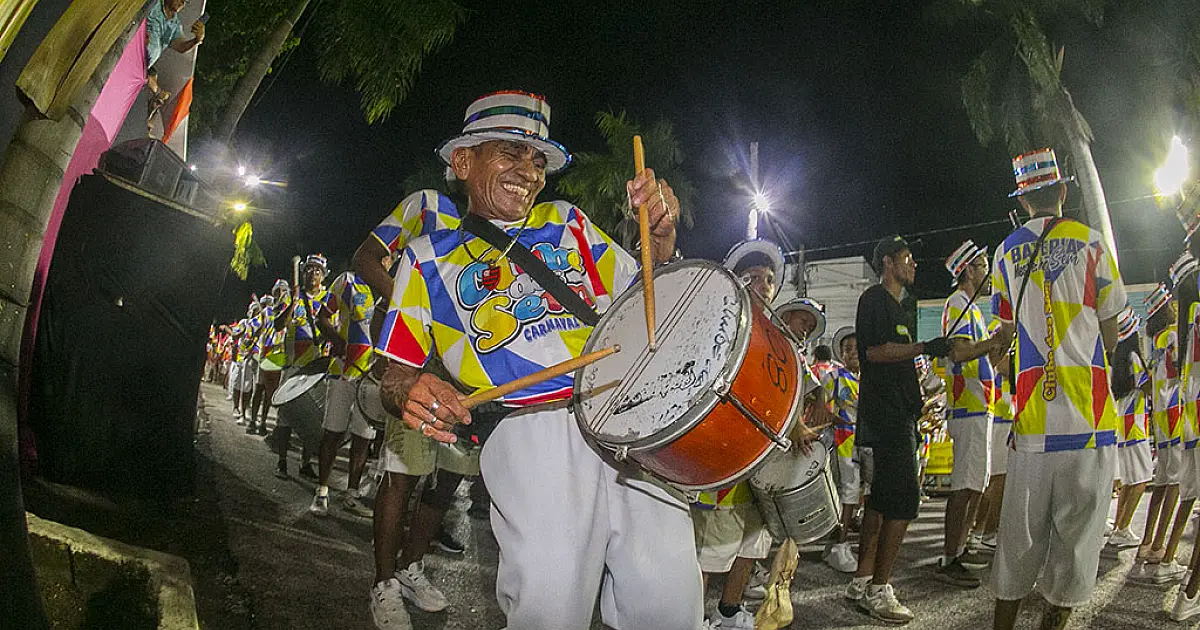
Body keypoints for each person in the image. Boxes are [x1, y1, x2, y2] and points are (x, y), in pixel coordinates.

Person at [374, 91, 700, 630]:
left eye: (538, 160)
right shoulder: (426, 257)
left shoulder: (570, 222)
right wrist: (409, 392)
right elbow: (395, 373)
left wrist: (659, 239)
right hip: (528, 434)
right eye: (510, 152)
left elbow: (647, 292)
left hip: (627, 416)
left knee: (670, 605)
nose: (528, 171)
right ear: (463, 162)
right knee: (550, 609)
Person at [990, 148, 1125, 630]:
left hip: (1033, 424)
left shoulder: (1005, 252)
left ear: (1023, 201)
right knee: (1076, 548)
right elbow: (1111, 334)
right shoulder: (1093, 244)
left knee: (1016, 544)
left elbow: (1004, 332)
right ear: (1064, 190)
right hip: (1090, 422)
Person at [846, 235, 950, 624]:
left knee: (881, 501)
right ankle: (879, 588)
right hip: (886, 420)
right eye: (907, 258)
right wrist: (924, 347)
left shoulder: (899, 307)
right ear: (888, 262)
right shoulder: (874, 300)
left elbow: (898, 358)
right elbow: (874, 352)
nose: (914, 264)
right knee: (904, 501)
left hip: (898, 416)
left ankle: (861, 581)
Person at [690, 240, 789, 630]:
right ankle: (692, 618)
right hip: (725, 453)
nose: (764, 285)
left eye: (769, 279)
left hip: (763, 460)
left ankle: (728, 612)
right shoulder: (721, 323)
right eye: (754, 277)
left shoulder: (779, 336)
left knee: (752, 542)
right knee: (709, 549)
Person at [936, 239, 1001, 588]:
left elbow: (984, 357)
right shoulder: (958, 303)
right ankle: (950, 556)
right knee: (964, 485)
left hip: (980, 406)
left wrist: (998, 342)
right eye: (983, 265)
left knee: (977, 483)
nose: (988, 272)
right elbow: (959, 353)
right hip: (968, 407)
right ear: (968, 271)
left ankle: (961, 549)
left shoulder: (973, 309)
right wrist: (993, 342)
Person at [310, 260, 391, 518]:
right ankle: (321, 491)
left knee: (363, 437)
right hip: (343, 370)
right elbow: (322, 317)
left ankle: (352, 494)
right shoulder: (348, 281)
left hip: (372, 376)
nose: (386, 260)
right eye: (382, 254)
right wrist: (337, 341)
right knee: (333, 432)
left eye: (390, 256)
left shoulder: (392, 287)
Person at [1134, 282, 1183, 581]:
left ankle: (1147, 541)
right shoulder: (1174, 335)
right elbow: (1181, 369)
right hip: (1176, 410)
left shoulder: (1155, 340)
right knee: (1176, 482)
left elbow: (1149, 383)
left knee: (1163, 480)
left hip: (1161, 415)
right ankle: (1161, 550)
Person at [271, 255, 329, 480]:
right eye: (309, 269)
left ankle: (305, 463)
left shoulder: (328, 298)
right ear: (303, 273)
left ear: (323, 276)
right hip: (292, 365)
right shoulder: (291, 297)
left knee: (313, 417)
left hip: (315, 366)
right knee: (285, 417)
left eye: (317, 270)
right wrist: (293, 304)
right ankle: (282, 461)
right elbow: (278, 325)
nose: (313, 273)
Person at [810, 336, 862, 573]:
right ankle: (839, 545)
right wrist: (838, 420)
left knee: (856, 494)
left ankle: (835, 545)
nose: (852, 353)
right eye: (847, 349)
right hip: (845, 441)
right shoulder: (835, 376)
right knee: (847, 493)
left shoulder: (870, 377)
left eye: (856, 348)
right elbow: (819, 405)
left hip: (866, 442)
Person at [969, 312, 1014, 552]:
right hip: (999, 420)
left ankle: (985, 530)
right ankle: (983, 531)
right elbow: (1009, 367)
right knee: (997, 481)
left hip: (1006, 419)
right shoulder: (1001, 341)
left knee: (999, 481)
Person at [1106, 308, 1151, 548]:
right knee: (1141, 479)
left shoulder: (1118, 360)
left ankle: (1119, 527)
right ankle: (1122, 528)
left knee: (1130, 479)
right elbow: (1147, 387)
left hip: (1124, 422)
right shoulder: (1133, 357)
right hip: (1135, 423)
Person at [145, 0, 204, 133]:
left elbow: (180, 46)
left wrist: (196, 40)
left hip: (145, 65)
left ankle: (156, 99)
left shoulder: (175, 24)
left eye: (186, 1)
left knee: (151, 75)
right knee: (149, 76)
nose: (182, 3)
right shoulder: (154, 5)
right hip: (134, 50)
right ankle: (157, 95)